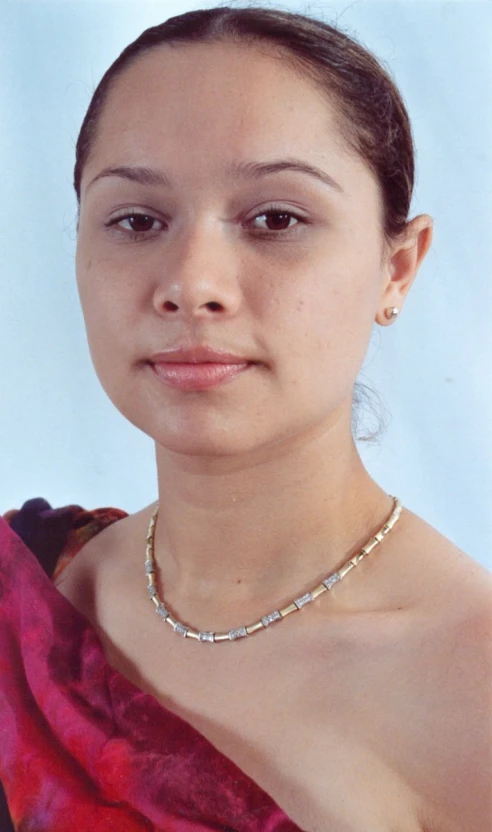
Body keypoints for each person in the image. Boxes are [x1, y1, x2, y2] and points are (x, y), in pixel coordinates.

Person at [0, 5, 490, 831]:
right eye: (137, 221)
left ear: (396, 268)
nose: (192, 283)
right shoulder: (33, 589)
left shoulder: (471, 685)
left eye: (276, 219)